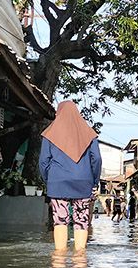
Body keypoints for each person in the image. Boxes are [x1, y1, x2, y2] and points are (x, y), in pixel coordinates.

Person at [39, 101, 102, 252]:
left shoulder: (50, 133)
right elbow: (97, 159)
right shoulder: (89, 133)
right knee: (81, 220)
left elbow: (43, 161)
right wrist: (94, 181)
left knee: (60, 221)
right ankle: (80, 261)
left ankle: (59, 263)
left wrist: (49, 180)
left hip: (58, 183)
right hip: (83, 183)